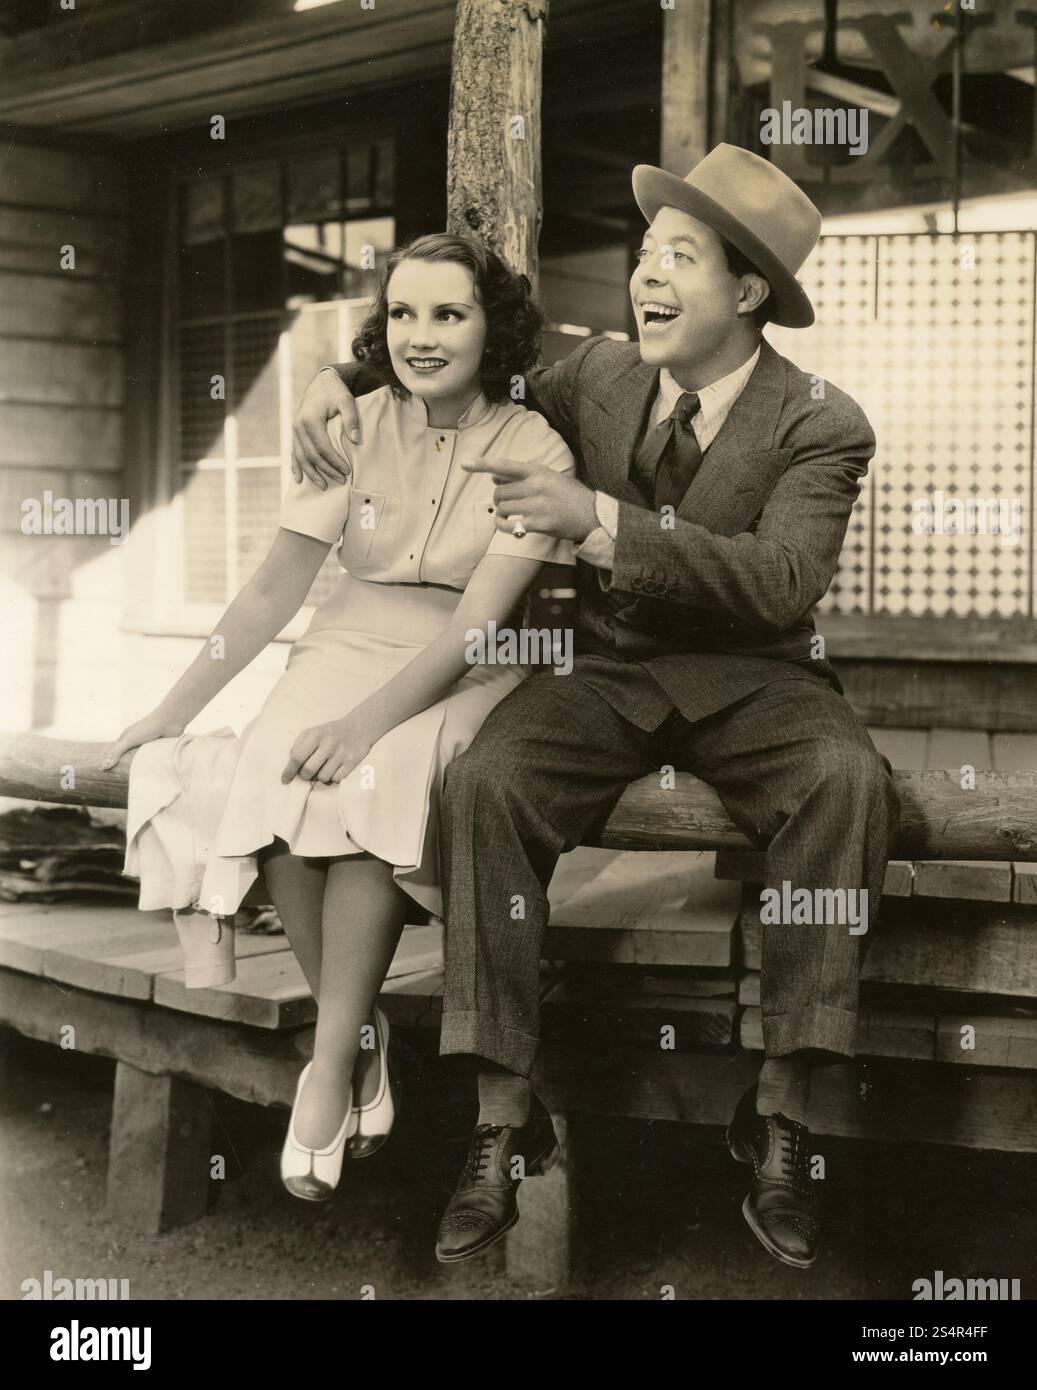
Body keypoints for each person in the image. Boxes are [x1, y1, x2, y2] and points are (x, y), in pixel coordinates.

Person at [290, 144, 900, 1268]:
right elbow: (459, 361)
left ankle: (781, 1110)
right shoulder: (601, 374)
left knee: (846, 782)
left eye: (680, 256)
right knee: (483, 779)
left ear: (749, 290)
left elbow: (778, 582)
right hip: (607, 668)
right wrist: (348, 375)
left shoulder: (820, 421)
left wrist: (599, 522)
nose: (646, 276)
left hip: (756, 676)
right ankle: (498, 1115)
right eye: (644, 253)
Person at [102, 232, 576, 1202]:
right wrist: (169, 708)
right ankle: (352, 1042)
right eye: (403, 313)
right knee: (273, 763)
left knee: (372, 772)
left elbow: (481, 628)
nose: (421, 335)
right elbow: (274, 588)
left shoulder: (533, 446)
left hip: (461, 662)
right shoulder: (348, 422)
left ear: (493, 326)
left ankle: (326, 1069)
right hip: (339, 639)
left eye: (449, 313)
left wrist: (362, 726)